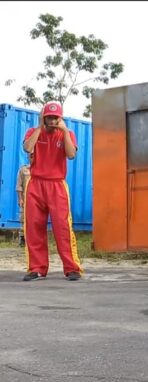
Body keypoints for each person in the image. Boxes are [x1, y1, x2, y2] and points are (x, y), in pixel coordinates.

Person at [22, 101, 83, 281]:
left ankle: (71, 268)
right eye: (49, 117)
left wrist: (64, 131)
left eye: (55, 118)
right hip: (36, 184)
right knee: (34, 227)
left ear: (60, 118)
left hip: (57, 185)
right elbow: (27, 147)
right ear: (43, 117)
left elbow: (71, 155)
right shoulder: (33, 132)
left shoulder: (68, 133)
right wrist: (40, 127)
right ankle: (37, 268)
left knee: (62, 227)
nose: (52, 121)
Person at [16, 154, 32, 248]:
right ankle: (22, 239)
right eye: (30, 155)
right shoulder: (23, 170)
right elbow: (19, 186)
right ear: (28, 157)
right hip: (26, 199)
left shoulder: (41, 169)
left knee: (36, 220)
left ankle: (34, 240)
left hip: (37, 200)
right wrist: (20, 199)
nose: (32, 157)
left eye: (34, 155)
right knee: (23, 218)